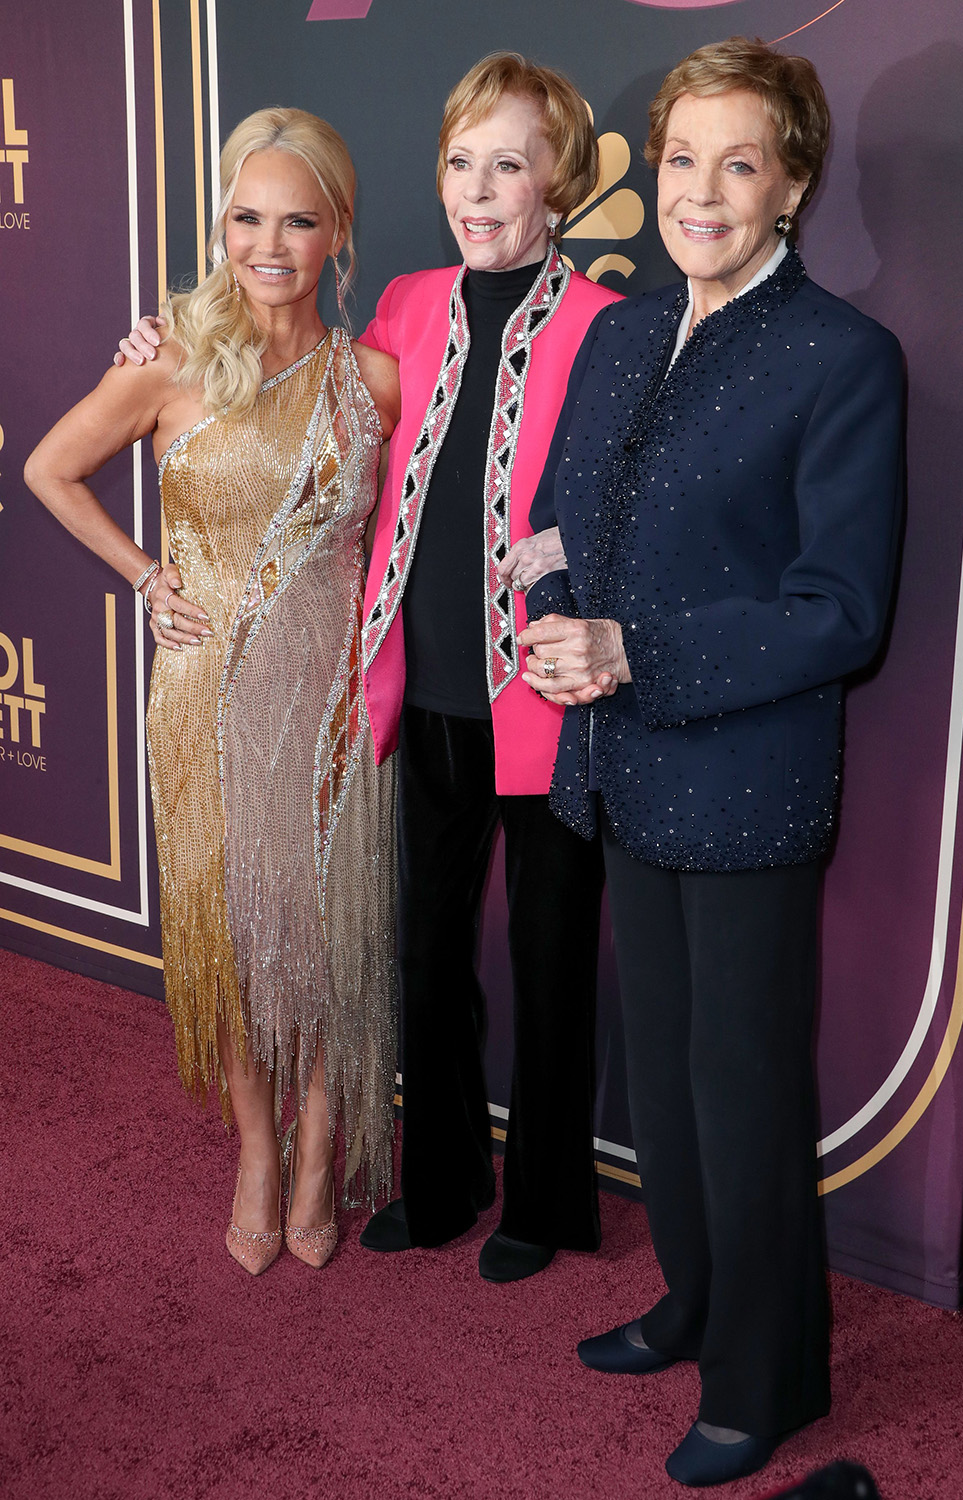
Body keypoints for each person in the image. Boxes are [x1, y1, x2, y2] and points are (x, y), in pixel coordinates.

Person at [119, 53, 621, 1284]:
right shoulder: (401, 303)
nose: (479, 187)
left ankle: (544, 1206)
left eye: (508, 163)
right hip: (407, 685)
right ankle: (440, 1182)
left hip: (543, 695)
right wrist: (161, 337)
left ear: (559, 180)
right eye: (461, 161)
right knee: (420, 952)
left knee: (554, 952)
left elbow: (606, 501)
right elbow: (288, 398)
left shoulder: (614, 325)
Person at [510, 37, 904, 1487]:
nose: (703, 190)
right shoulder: (617, 329)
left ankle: (769, 1376)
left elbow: (840, 612)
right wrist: (550, 616)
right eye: (683, 158)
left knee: (740, 1088)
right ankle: (692, 1302)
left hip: (745, 781)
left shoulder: (845, 358)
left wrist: (633, 653)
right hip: (617, 765)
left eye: (741, 162)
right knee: (664, 1081)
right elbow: (552, 509)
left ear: (792, 182)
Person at [26, 108, 401, 1276]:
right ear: (220, 226)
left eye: (297, 220)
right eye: (246, 218)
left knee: (333, 936)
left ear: (339, 230)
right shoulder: (171, 360)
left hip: (339, 697)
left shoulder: (380, 379)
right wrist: (145, 577)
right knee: (231, 938)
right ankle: (254, 1145)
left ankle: (321, 1144)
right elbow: (49, 467)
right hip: (204, 696)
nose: (269, 244)